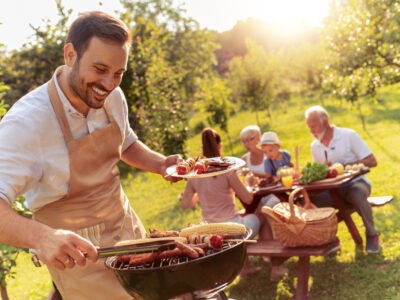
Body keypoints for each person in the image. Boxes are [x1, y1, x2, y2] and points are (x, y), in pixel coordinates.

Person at [0, 11, 181, 299]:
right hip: (79, 259)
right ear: (70, 54)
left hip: (128, 232)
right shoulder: (26, 124)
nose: (109, 84)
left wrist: (160, 164)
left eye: (118, 74)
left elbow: (126, 142)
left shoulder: (112, 97)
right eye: (99, 69)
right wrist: (41, 236)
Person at [180, 128, 286, 280]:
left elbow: (185, 204)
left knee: (246, 215)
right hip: (232, 228)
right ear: (220, 146)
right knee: (262, 214)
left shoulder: (194, 174)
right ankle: (275, 267)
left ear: (202, 148)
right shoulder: (227, 170)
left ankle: (246, 268)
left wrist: (200, 194)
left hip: (209, 231)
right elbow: (248, 199)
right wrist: (248, 183)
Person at [305, 105, 380, 253]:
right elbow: (323, 174)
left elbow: (372, 161)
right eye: (309, 127)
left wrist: (344, 166)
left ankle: (372, 235)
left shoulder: (348, 135)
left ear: (325, 122)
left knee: (356, 194)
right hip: (332, 190)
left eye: (314, 126)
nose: (311, 131)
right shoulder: (315, 146)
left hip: (356, 184)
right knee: (309, 203)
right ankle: (330, 241)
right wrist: (324, 170)